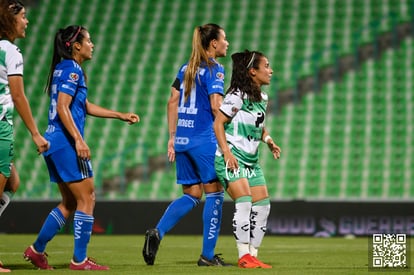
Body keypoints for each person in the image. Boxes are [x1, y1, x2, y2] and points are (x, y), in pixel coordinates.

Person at [23, 25, 139, 271]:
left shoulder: (62, 69)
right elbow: (64, 107)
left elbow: (82, 105)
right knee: (88, 198)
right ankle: (79, 260)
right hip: (65, 143)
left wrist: (119, 115)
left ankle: (36, 250)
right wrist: (78, 139)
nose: (92, 45)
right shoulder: (73, 70)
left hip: (52, 142)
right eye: (89, 40)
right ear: (76, 46)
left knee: (69, 202)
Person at [142, 23, 230, 267]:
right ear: (213, 43)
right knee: (215, 193)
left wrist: (172, 137)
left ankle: (157, 232)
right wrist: (226, 139)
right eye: (224, 39)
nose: (227, 43)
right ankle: (207, 256)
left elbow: (172, 101)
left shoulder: (186, 68)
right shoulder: (216, 69)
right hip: (204, 140)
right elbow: (215, 106)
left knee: (192, 194)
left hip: (182, 140)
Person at [213, 50, 281, 269]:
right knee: (244, 201)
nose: (271, 70)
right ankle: (243, 256)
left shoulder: (262, 97)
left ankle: (252, 255)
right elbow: (218, 124)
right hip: (231, 158)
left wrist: (269, 140)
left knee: (263, 206)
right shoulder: (236, 95)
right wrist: (226, 153)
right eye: (267, 66)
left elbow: (258, 126)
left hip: (251, 161)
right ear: (253, 72)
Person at [0, 0, 50, 272]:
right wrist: (35, 133)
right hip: (0, 127)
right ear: (11, 20)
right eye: (23, 16)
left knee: (13, 183)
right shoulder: (10, 51)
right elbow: (18, 95)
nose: (27, 21)